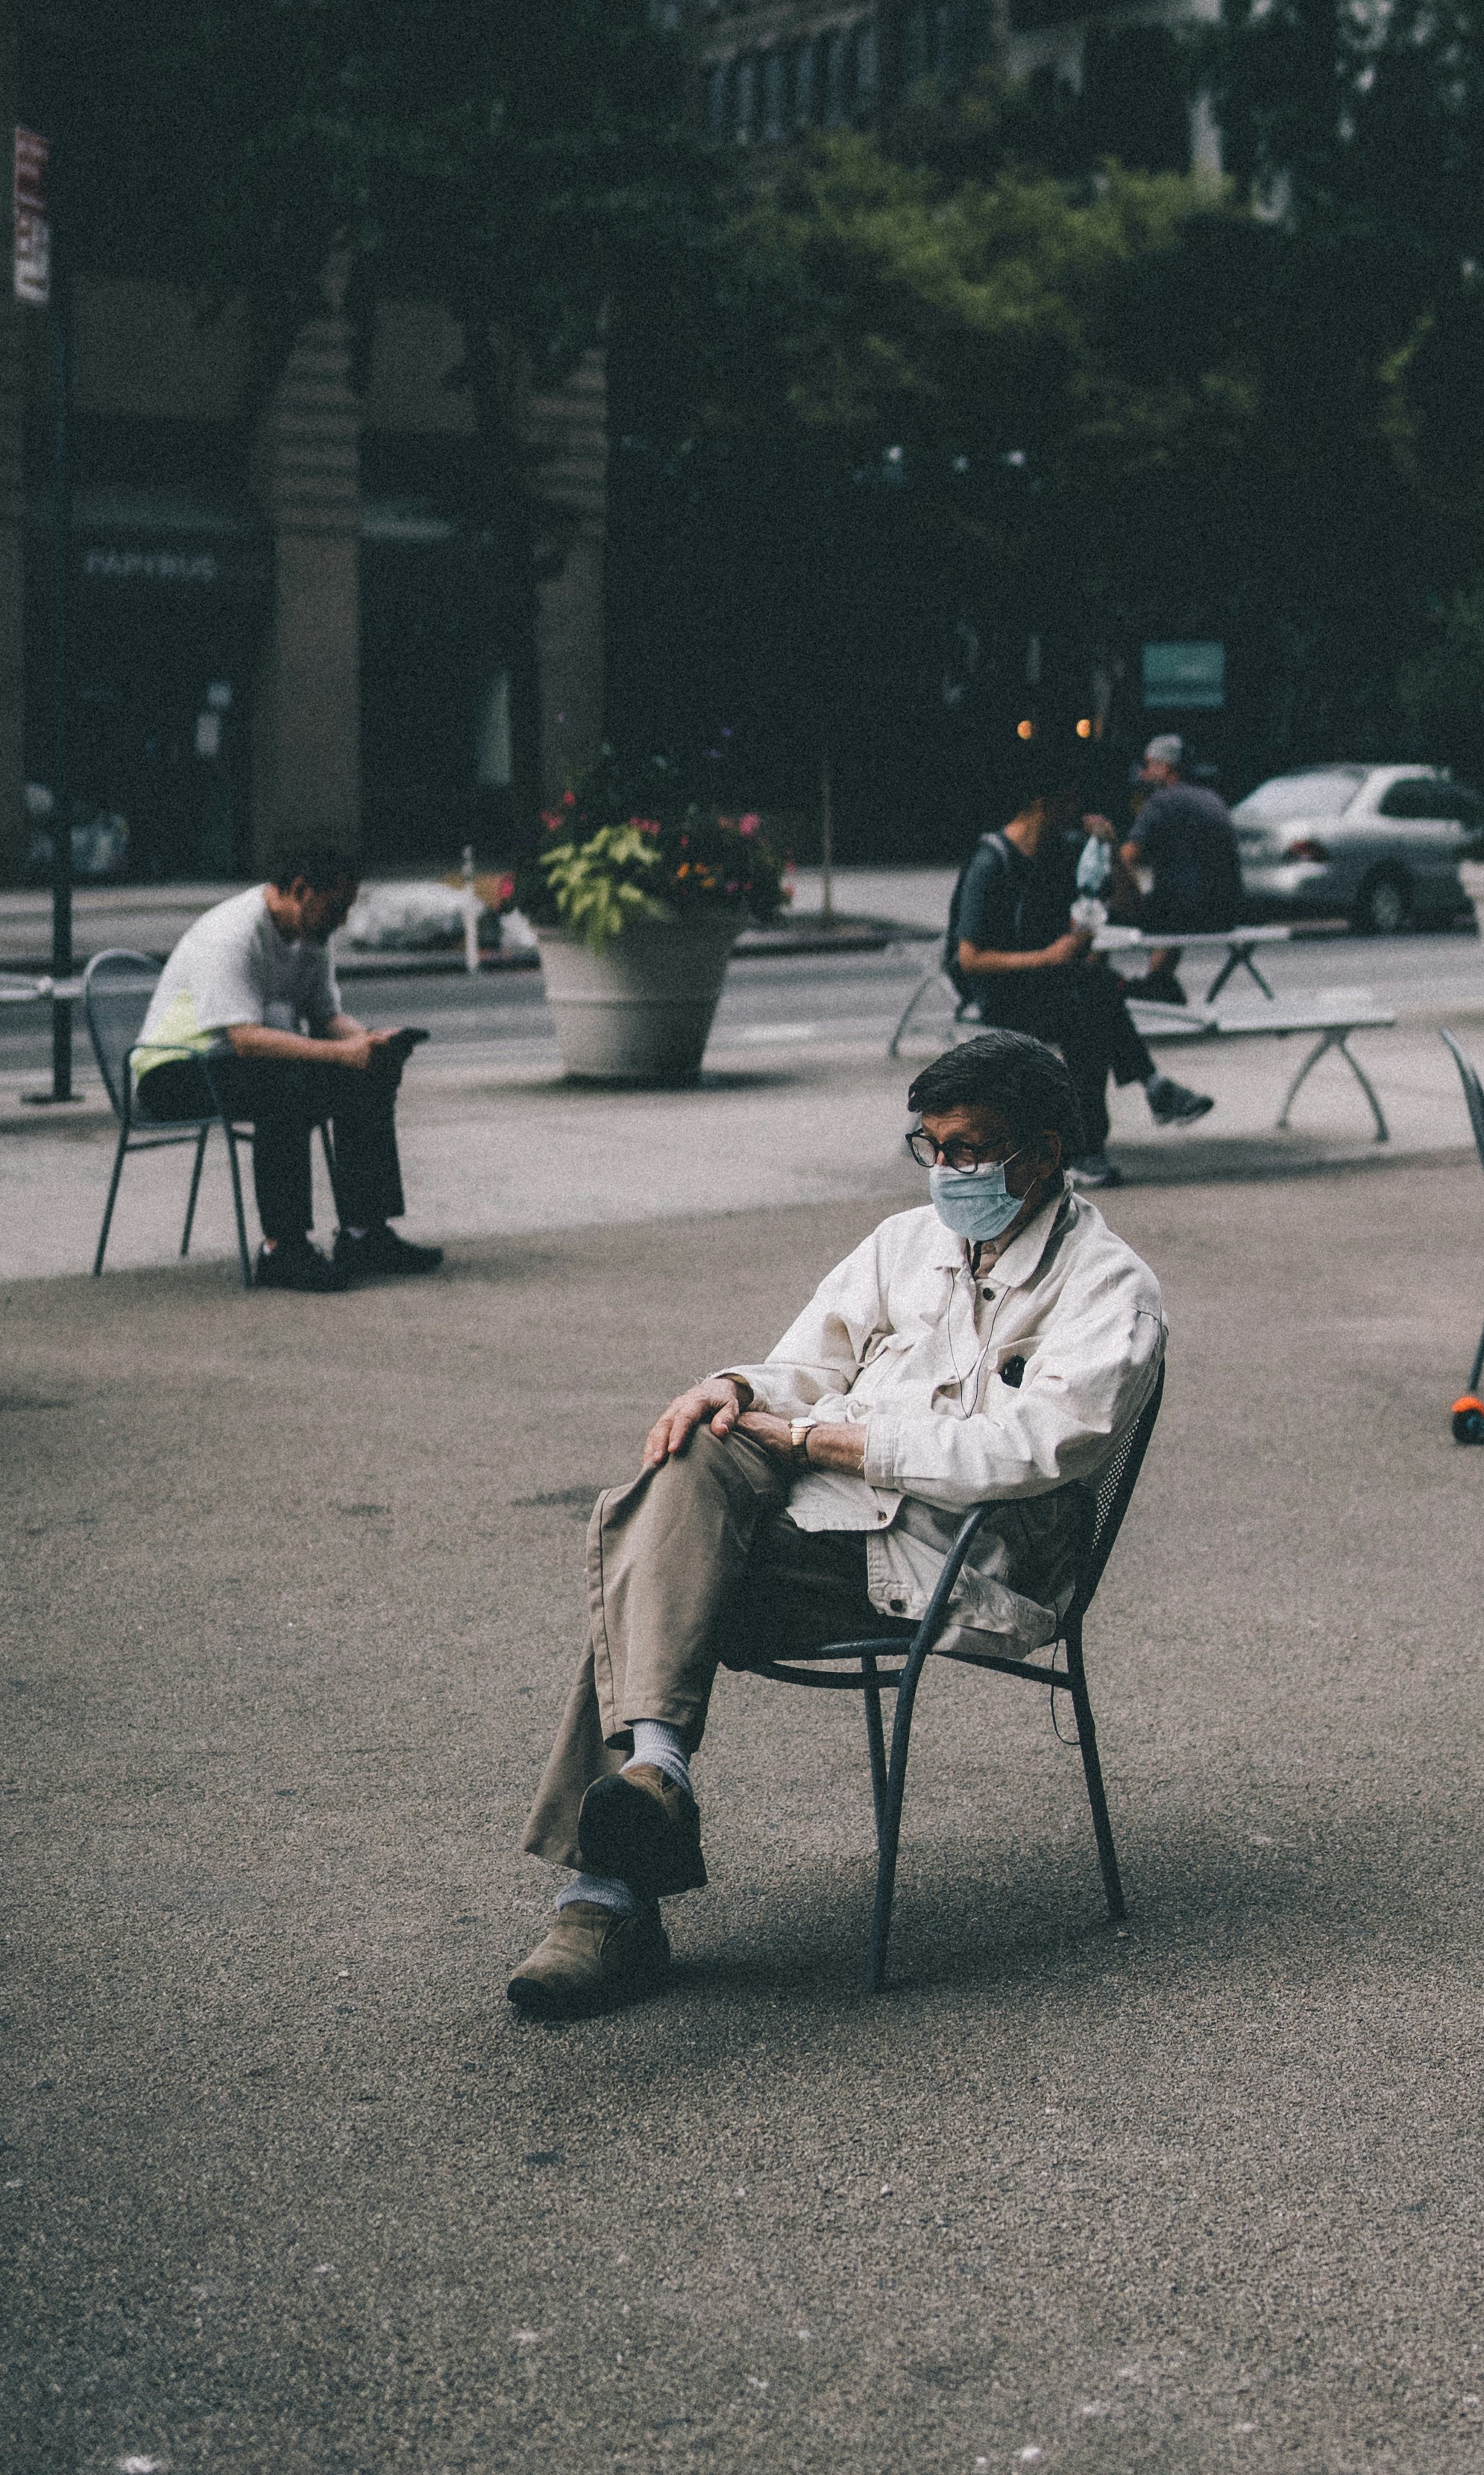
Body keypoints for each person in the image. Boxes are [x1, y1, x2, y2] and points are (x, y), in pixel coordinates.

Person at [508, 1028, 1166, 2021]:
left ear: (1045, 1152)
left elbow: (1032, 1450)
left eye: (973, 1149)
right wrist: (728, 1386)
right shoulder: (906, 1245)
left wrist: (827, 1442)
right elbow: (802, 1368)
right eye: (931, 1146)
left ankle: (602, 1902)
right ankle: (651, 1781)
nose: (947, 1170)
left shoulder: (1109, 1289)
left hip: (959, 1555)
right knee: (688, 1457)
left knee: (652, 1566)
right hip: (826, 1514)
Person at [129, 839, 441, 1290]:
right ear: (301, 890)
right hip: (172, 1074)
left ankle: (363, 1234)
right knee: (286, 1085)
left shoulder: (311, 935)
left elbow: (325, 1018)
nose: (343, 920)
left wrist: (368, 1042)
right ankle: (283, 1249)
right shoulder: (232, 935)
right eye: (337, 907)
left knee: (367, 1075)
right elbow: (246, 1040)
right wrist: (340, 1054)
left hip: (235, 1066)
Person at [946, 770, 1213, 1184]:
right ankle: (1137, 1100)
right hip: (996, 991)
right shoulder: (992, 860)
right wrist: (1049, 956)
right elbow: (970, 959)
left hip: (1047, 983)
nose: (1074, 813)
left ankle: (1107, 1133)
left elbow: (1129, 903)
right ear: (1040, 804)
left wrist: (1109, 851)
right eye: (1066, 804)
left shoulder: (1062, 851)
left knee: (1095, 995)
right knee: (1090, 1012)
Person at [1113, 731, 1243, 996]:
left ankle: (1091, 986)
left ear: (1164, 767)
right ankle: (1158, 981)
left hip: (1184, 914)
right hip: (1226, 912)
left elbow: (1125, 858)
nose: (1143, 774)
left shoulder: (1160, 802)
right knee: (1169, 904)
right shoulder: (1212, 798)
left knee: (1103, 918)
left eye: (1148, 765)